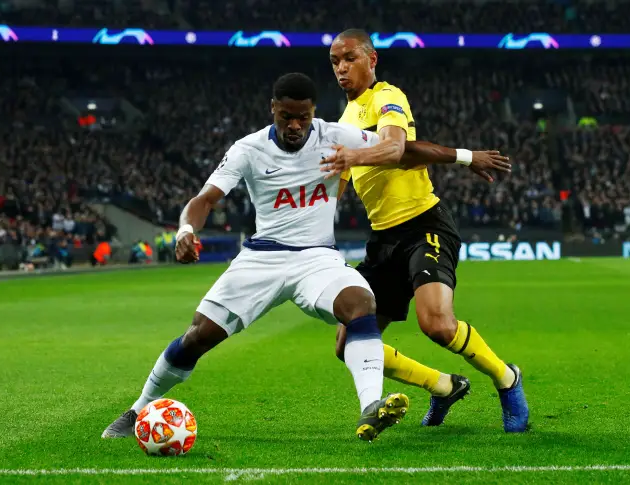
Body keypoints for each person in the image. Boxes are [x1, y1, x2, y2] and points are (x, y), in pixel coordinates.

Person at [102, 73, 409, 443]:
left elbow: (401, 149)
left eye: (303, 117)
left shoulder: (335, 136)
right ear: (273, 109)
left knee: (361, 304)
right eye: (286, 117)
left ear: (313, 112)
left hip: (317, 259)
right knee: (198, 337)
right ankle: (138, 408)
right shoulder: (247, 149)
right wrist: (186, 231)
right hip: (262, 259)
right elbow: (204, 201)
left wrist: (461, 157)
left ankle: (371, 407)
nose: (295, 125)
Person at [322, 29, 529, 432]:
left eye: (349, 58)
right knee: (349, 344)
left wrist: (352, 155)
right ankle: (442, 386)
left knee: (436, 324)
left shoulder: (387, 97)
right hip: (383, 240)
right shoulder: (342, 122)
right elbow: (338, 187)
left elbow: (399, 148)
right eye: (334, 61)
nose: (341, 68)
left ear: (372, 60)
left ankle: (507, 378)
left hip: (424, 225)